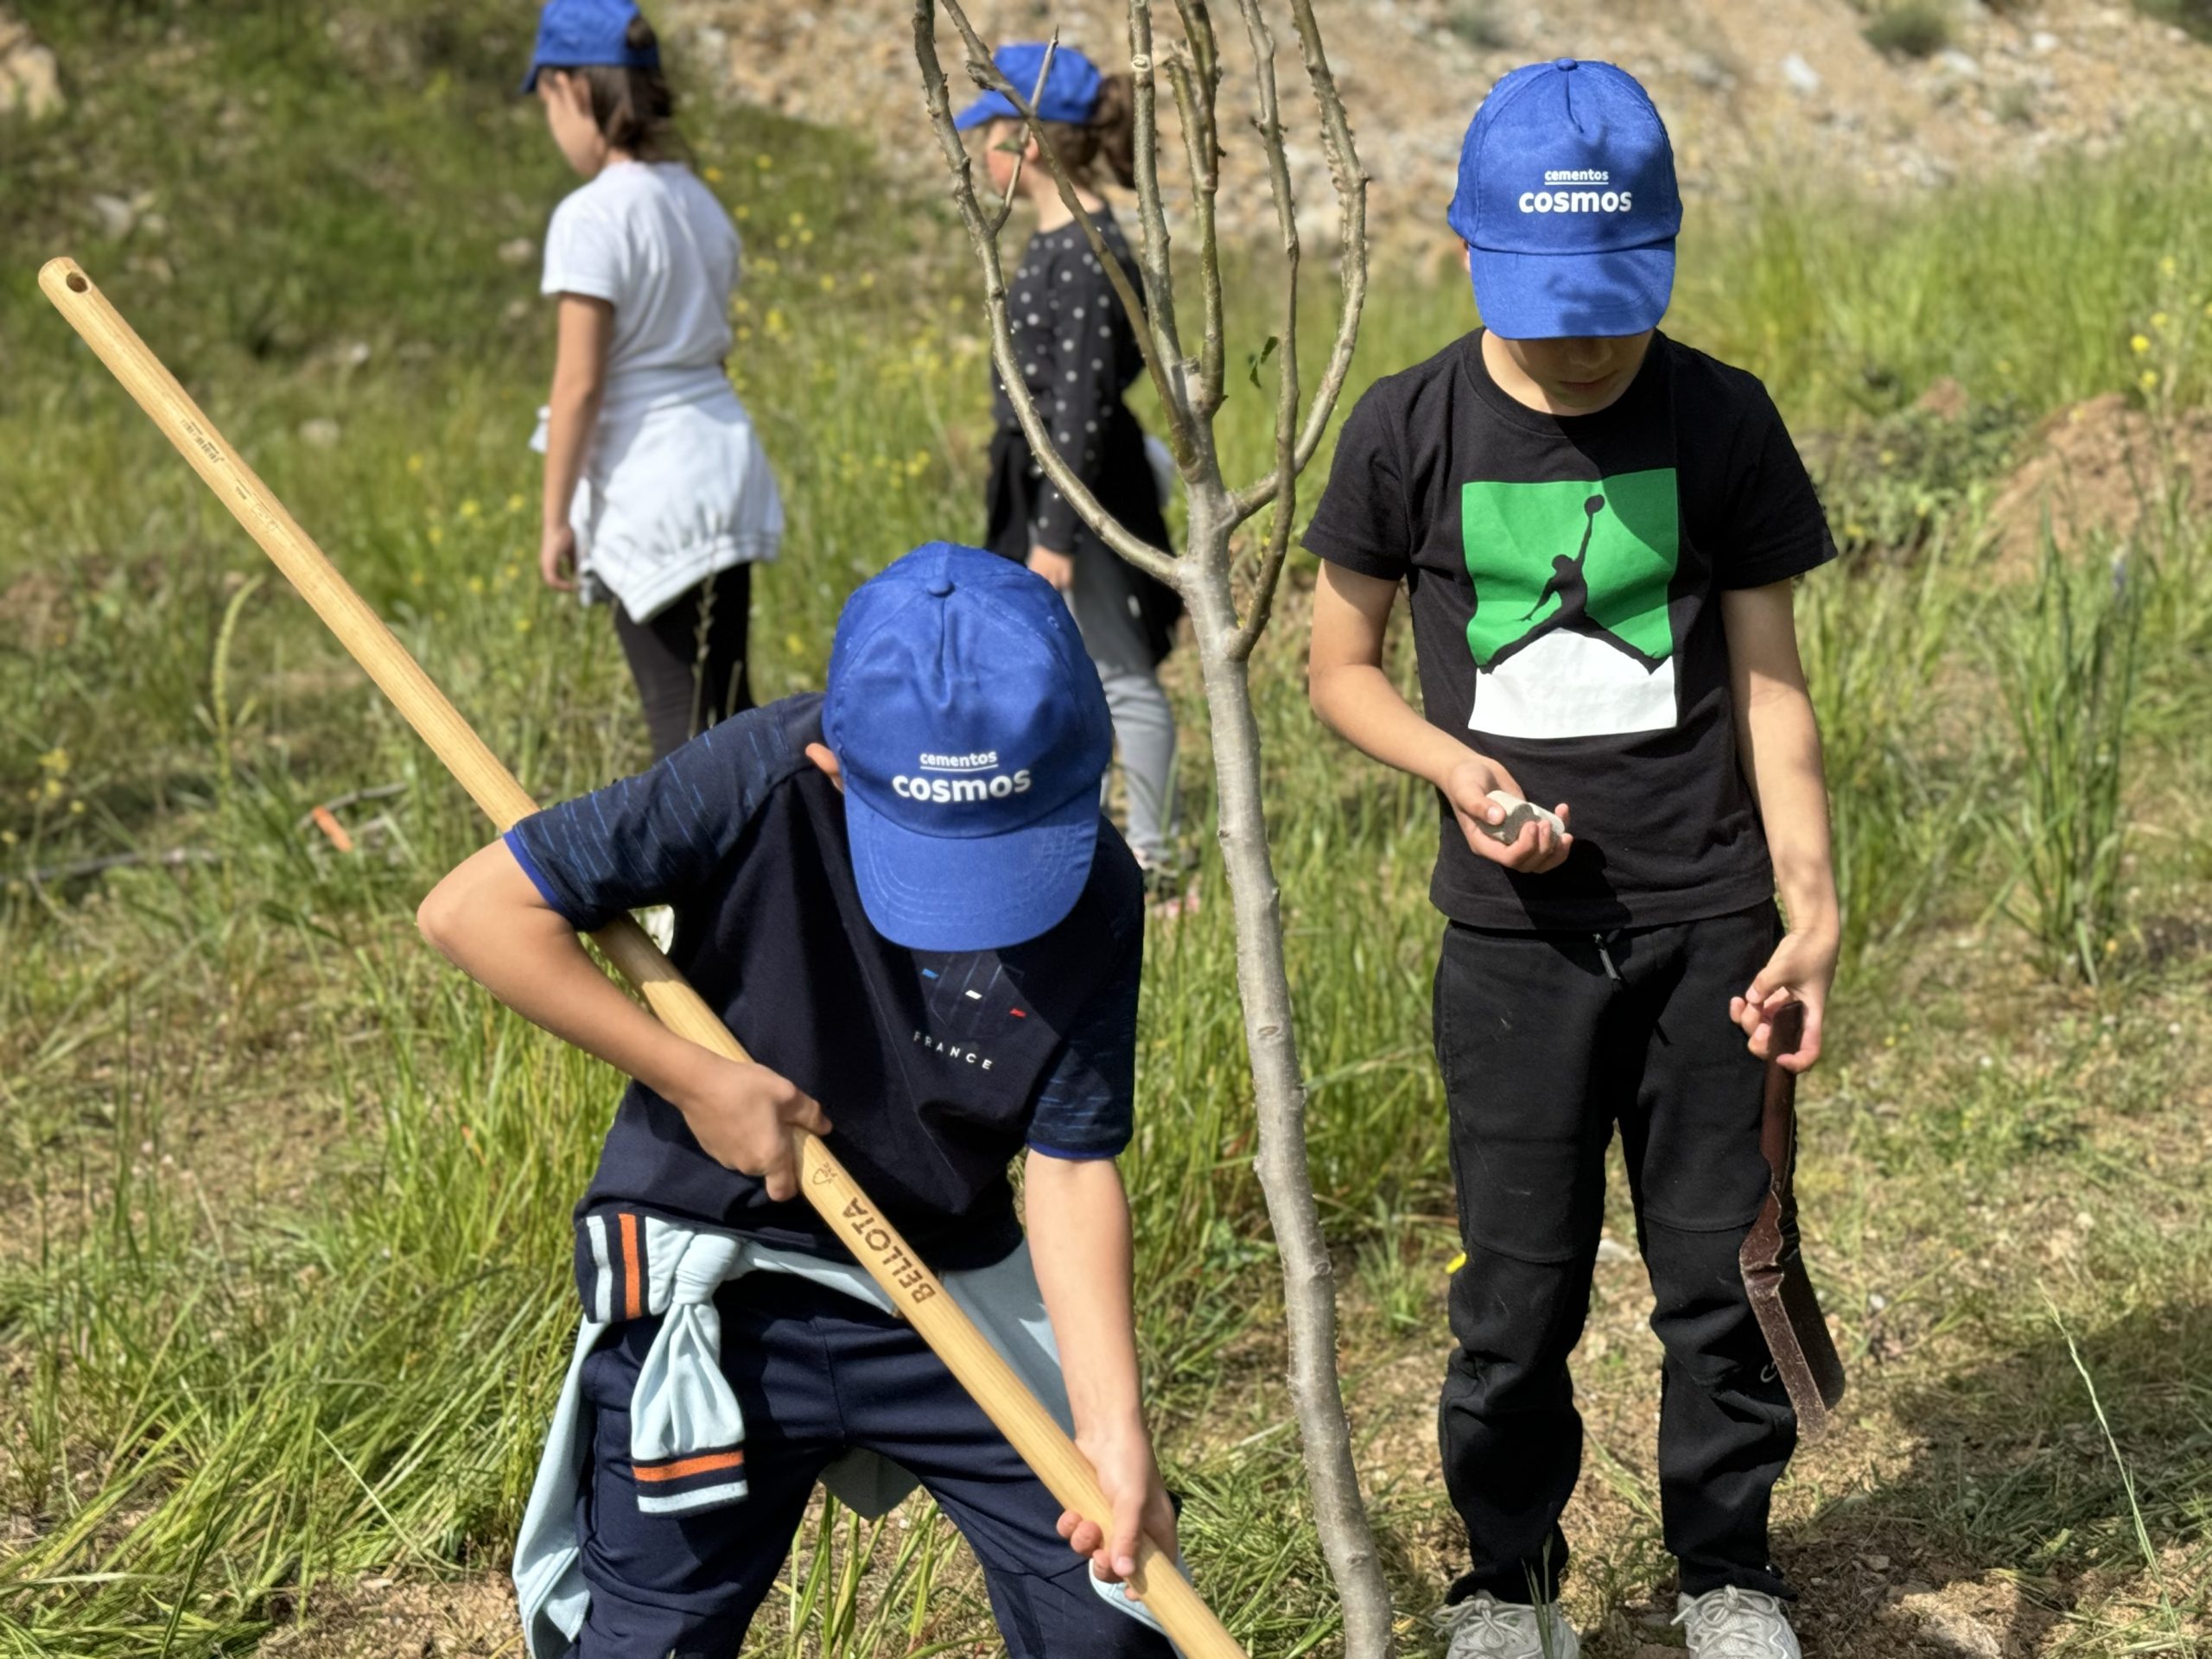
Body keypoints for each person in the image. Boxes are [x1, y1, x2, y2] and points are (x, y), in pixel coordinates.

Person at [1302, 60, 1840, 1659]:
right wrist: (1457, 768)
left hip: (1711, 928)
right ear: (1471, 252)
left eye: (1614, 300)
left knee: (1720, 1270)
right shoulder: (1407, 424)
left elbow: (1770, 681)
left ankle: (1728, 1571)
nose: (1586, 339)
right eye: (1550, 302)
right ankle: (1505, 1582)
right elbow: (1341, 671)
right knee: (1515, 1290)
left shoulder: (1721, 416)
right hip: (1515, 944)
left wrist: (1807, 908)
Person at [416, 543, 1177, 1659]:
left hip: (940, 1290)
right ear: (832, 759)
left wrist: (1115, 1436)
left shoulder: (1097, 889)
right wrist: (698, 1080)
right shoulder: (756, 777)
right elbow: (473, 911)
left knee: (1113, 1619)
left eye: (1004, 855)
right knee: (644, 1641)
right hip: (719, 1284)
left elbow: (1068, 1164)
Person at [524, 0, 783, 761]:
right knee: (732, 707)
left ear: (575, 89)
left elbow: (580, 385)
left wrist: (553, 519)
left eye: (546, 101)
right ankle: (793, 866)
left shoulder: (592, 216)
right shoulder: (695, 198)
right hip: (724, 460)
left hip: (651, 485)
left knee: (683, 734)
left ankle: (727, 883)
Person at [958, 43, 1186, 893]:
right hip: (1049, 478)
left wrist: (1057, 534)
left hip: (1080, 488)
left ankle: (1153, 860)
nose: (980, 154)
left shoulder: (1087, 251)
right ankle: (1084, 841)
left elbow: (1083, 408)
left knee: (1118, 671)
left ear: (1026, 140)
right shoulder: (1058, 240)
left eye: (988, 132)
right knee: (1072, 670)